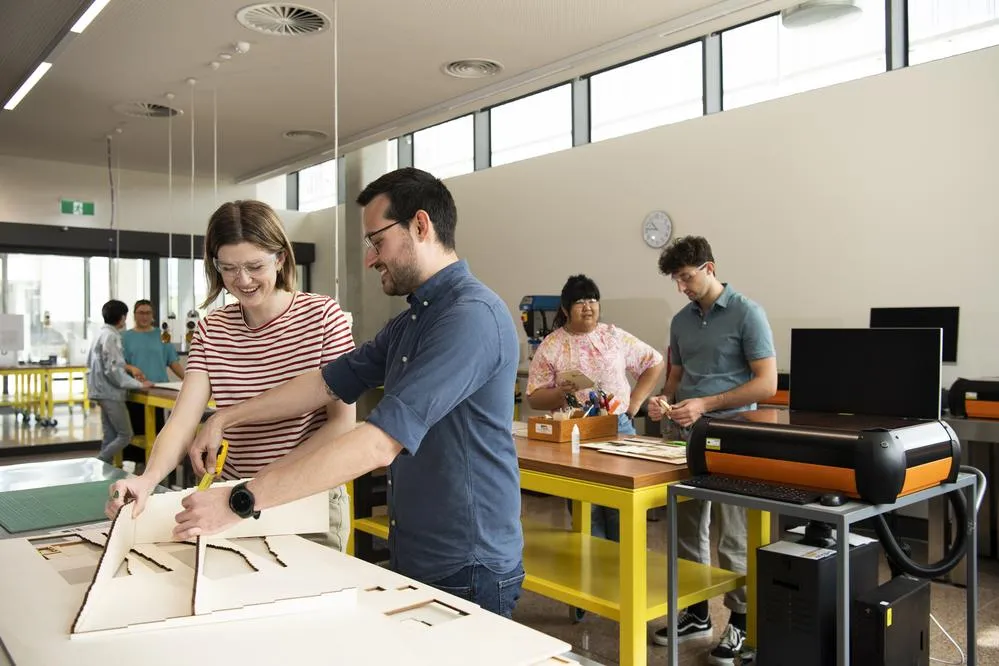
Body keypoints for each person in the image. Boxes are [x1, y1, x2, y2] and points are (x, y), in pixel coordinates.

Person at [130, 167, 525, 618]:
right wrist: (225, 417)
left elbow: (377, 442)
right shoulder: (413, 320)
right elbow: (324, 382)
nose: (370, 258)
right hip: (420, 545)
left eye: (377, 241)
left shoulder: (470, 317)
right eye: (229, 268)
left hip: (467, 558)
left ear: (420, 225)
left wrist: (244, 497)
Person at [106, 200, 357, 551]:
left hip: (304, 497)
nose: (243, 280)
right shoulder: (212, 329)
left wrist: (258, 487)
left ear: (280, 258)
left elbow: (342, 424)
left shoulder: (323, 316)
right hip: (232, 502)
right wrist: (147, 479)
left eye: (255, 266)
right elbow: (182, 421)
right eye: (228, 268)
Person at [647, 236, 777, 665]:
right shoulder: (681, 321)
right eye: (676, 279)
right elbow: (675, 378)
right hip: (687, 438)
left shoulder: (747, 313)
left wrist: (706, 403)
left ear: (710, 268)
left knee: (733, 535)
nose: (681, 287)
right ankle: (697, 612)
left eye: (686, 277)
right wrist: (663, 400)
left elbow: (767, 384)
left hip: (735, 437)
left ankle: (741, 621)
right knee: (686, 529)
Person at [526, 274, 663, 541]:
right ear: (565, 309)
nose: (588, 307)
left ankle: (623, 562)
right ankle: (591, 562)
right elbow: (534, 397)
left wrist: (634, 403)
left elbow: (654, 362)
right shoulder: (552, 345)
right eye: (580, 302)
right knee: (587, 509)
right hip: (575, 432)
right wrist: (559, 394)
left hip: (617, 427)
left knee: (622, 507)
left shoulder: (613, 336)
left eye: (593, 300)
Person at [88, 300, 153, 463]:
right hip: (111, 393)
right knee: (125, 435)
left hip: (101, 391)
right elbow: (114, 371)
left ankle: (103, 472)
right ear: (123, 317)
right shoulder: (111, 336)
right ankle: (98, 462)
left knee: (110, 436)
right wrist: (139, 384)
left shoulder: (101, 333)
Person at [121, 299, 185, 460]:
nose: (144, 316)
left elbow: (173, 362)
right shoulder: (125, 337)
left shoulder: (162, 335)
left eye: (148, 313)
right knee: (137, 431)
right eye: (141, 313)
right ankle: (138, 465)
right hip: (136, 390)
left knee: (159, 431)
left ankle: (159, 464)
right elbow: (119, 363)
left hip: (159, 390)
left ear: (153, 315)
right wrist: (131, 368)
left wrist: (190, 380)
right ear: (134, 315)